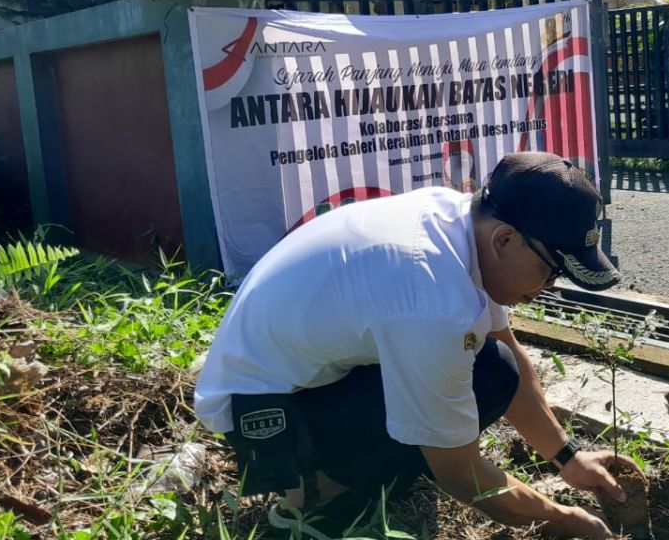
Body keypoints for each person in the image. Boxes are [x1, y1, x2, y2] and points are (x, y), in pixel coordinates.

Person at [195, 151, 638, 538]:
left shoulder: (459, 220)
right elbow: (462, 477)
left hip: (294, 374)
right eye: (552, 270)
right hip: (262, 417)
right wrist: (563, 518)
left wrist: (567, 457)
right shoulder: (431, 298)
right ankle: (313, 494)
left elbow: (506, 349)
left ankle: (344, 464)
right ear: (505, 239)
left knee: (494, 367)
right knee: (446, 419)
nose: (548, 286)